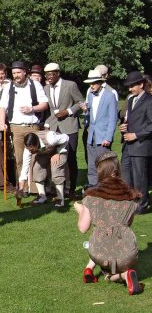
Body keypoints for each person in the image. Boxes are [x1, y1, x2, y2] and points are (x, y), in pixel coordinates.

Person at [74, 152, 143, 295]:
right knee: (116, 260)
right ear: (117, 168)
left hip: (99, 250)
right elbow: (128, 223)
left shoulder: (91, 195)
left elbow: (83, 228)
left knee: (107, 272)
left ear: (99, 171)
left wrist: (81, 210)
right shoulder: (131, 196)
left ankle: (115, 274)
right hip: (126, 250)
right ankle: (125, 273)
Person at [0, 61, 49, 192]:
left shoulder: (35, 84)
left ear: (25, 72)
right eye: (14, 73)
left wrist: (32, 108)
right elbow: (2, 107)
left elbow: (44, 104)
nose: (16, 75)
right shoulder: (8, 87)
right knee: (20, 159)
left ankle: (38, 188)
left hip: (33, 126)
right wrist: (2, 123)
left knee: (36, 158)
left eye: (18, 72)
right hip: (16, 128)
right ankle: (23, 188)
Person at [44, 63, 84, 200]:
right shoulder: (45, 88)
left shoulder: (70, 85)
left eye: (51, 74)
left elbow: (81, 102)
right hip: (54, 128)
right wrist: (47, 124)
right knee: (56, 159)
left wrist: (68, 111)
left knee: (71, 158)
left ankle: (71, 190)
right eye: (46, 74)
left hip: (69, 126)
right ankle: (59, 190)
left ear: (58, 73)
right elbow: (48, 110)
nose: (49, 77)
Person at [119, 71, 152, 215]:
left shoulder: (150, 101)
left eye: (132, 86)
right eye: (129, 86)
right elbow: (133, 120)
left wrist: (136, 135)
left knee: (140, 177)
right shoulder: (132, 100)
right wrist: (124, 127)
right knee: (126, 174)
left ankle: (142, 205)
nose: (130, 89)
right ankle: (131, 200)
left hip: (141, 145)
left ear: (141, 84)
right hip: (128, 145)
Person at [80, 70, 117, 188]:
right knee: (91, 164)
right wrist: (86, 110)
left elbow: (113, 118)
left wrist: (108, 137)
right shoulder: (90, 95)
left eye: (94, 83)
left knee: (104, 165)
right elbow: (90, 115)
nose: (91, 85)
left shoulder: (110, 95)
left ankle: (105, 188)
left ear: (100, 82)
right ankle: (93, 187)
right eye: (90, 83)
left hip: (103, 136)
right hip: (91, 135)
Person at [18, 131, 69, 207]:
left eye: (32, 150)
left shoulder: (51, 139)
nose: (30, 152)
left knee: (56, 169)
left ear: (37, 143)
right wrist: (21, 187)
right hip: (45, 151)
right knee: (36, 169)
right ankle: (42, 197)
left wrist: (58, 152)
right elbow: (25, 167)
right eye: (29, 150)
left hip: (59, 148)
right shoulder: (28, 149)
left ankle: (60, 199)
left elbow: (66, 137)